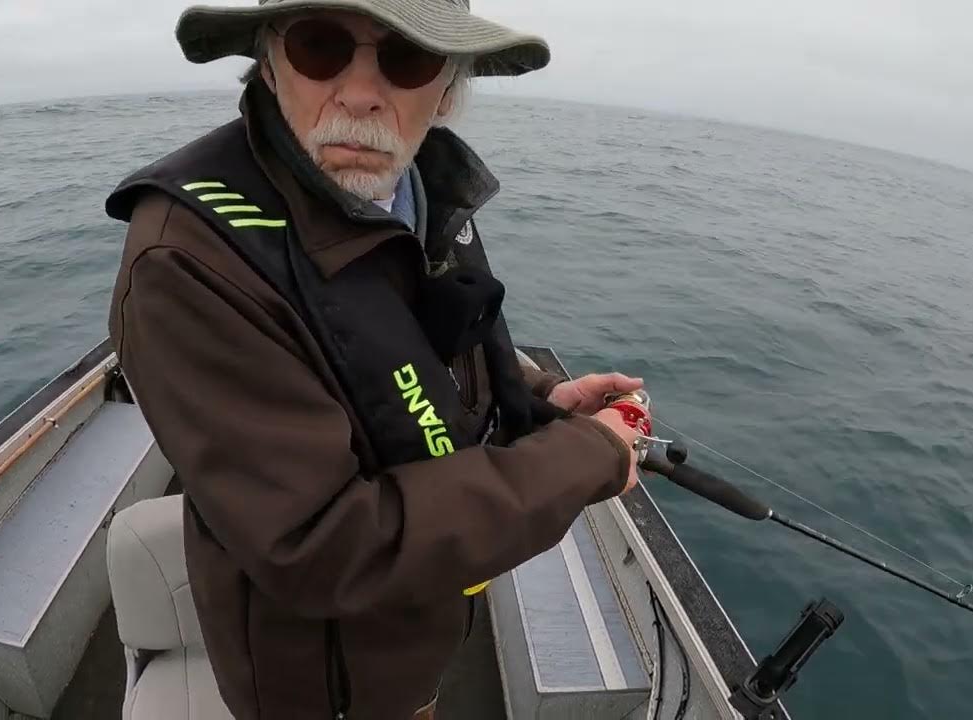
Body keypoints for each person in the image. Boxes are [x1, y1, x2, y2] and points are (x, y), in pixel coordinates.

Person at [106, 1, 644, 717]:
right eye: (321, 47)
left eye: (408, 57)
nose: (361, 93)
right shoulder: (187, 258)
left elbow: (416, 355)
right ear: (269, 64)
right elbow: (321, 545)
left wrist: (541, 400)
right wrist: (588, 457)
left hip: (419, 639)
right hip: (324, 686)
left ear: (448, 87)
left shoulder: (416, 188)